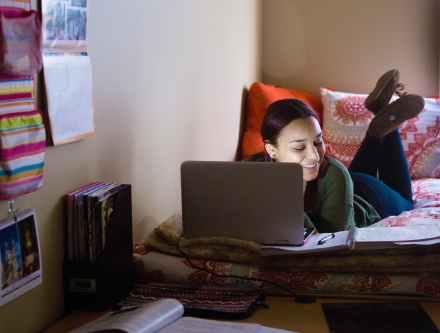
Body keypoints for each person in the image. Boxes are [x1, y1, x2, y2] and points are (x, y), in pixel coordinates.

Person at [245, 69, 425, 232]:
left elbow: (329, 242)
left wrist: (279, 200)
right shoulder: (249, 170)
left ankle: (385, 123)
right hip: (347, 184)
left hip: (370, 197)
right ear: (271, 149)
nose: (315, 155)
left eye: (318, 141)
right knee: (346, 177)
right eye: (299, 147)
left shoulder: (334, 173)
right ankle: (378, 120)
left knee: (407, 202)